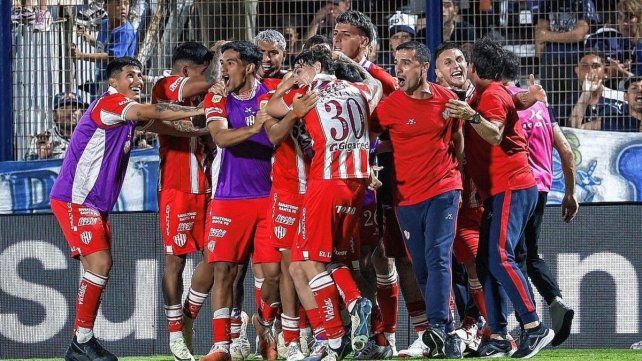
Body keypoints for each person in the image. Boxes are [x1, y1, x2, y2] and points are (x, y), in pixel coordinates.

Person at [49, 57, 205, 361]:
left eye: (140, 75)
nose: (138, 80)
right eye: (130, 75)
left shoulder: (127, 112)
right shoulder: (111, 103)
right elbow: (155, 110)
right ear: (113, 82)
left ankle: (82, 341)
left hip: (94, 202)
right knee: (100, 264)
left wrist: (204, 131)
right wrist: (202, 109)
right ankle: (81, 342)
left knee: (98, 267)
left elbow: (164, 125)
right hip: (76, 198)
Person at [266, 45, 382, 361]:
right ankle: (336, 339)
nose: (297, 74)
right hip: (358, 185)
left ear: (315, 66)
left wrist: (286, 85)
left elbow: (273, 107)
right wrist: (345, 60)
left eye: (300, 68)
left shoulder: (309, 93)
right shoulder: (359, 89)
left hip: (325, 183)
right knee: (333, 258)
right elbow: (377, 86)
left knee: (305, 260)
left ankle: (343, 320)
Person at [446, 38, 554, 358]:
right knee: (486, 262)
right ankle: (498, 335)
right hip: (502, 189)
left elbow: (493, 132)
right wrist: (528, 97)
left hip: (511, 186)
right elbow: (515, 101)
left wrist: (470, 116)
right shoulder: (492, 92)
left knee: (499, 257)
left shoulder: (490, 95)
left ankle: (534, 326)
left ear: (476, 69)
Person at [371, 40, 463, 359]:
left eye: (406, 63)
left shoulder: (446, 99)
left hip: (443, 189)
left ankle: (437, 327)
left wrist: (456, 174)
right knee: (421, 266)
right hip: (407, 196)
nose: (399, 70)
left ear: (424, 68)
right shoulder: (389, 106)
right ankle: (449, 333)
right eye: (397, 63)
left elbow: (458, 138)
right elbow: (370, 137)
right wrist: (369, 166)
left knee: (438, 255)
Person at [199, 41, 277, 361]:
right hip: (228, 197)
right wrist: (256, 125)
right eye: (223, 62)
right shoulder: (217, 96)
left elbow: (278, 135)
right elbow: (220, 137)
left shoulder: (271, 95)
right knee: (225, 273)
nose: (224, 68)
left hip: (269, 196)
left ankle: (265, 329)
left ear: (247, 67)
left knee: (271, 274)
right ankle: (221, 346)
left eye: (230, 63)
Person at [150, 41, 216, 361]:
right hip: (177, 186)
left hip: (209, 185)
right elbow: (183, 124)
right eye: (207, 69)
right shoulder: (165, 84)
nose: (215, 76)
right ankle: (175, 335)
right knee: (175, 261)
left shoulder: (199, 95)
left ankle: (188, 315)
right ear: (187, 70)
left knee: (217, 255)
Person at [535, 0, 598, 109]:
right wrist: (540, 59)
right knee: (548, 101)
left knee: (574, 99)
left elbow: (579, 34)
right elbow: (540, 33)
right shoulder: (547, 2)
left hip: (575, 60)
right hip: (550, 60)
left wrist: (548, 36)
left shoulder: (584, 2)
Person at [72, 0, 137, 98]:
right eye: (118, 3)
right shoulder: (104, 24)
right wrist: (87, 37)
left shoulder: (125, 31)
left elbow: (111, 57)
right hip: (103, 78)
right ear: (106, 6)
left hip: (118, 82)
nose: (123, 7)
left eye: (126, 4)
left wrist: (82, 56)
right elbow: (103, 46)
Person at [567, 51, 627, 130]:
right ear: (577, 71)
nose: (590, 71)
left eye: (595, 66)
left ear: (605, 71)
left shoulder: (621, 97)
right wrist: (586, 93)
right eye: (585, 66)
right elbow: (572, 131)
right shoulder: (568, 103)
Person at [26, 92, 87, 160]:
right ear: (54, 115)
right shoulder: (42, 140)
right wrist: (41, 158)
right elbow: (26, 167)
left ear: (82, 113)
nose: (71, 111)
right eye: (64, 108)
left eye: (75, 108)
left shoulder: (90, 138)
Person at [378, 10, 416, 75]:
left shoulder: (420, 62)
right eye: (395, 37)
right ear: (390, 42)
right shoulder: (379, 64)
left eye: (405, 37)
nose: (400, 41)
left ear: (412, 40)